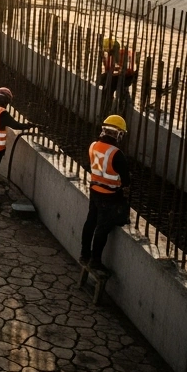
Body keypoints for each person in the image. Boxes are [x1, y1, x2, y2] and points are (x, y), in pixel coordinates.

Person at [81, 115, 130, 273]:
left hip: (94, 190)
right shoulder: (117, 153)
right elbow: (126, 180)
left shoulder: (93, 146)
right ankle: (95, 261)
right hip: (109, 196)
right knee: (102, 229)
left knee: (90, 222)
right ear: (118, 134)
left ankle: (84, 254)